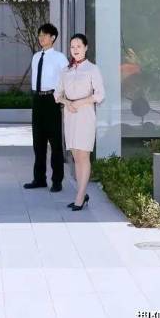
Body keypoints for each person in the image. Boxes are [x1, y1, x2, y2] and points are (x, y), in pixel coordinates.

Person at [55, 33, 105, 211]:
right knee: (76, 156)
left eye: (78, 46)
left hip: (85, 114)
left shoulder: (92, 69)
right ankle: (81, 194)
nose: (75, 49)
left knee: (83, 155)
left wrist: (80, 102)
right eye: (72, 46)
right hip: (70, 116)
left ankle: (79, 197)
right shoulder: (66, 70)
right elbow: (57, 94)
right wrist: (67, 102)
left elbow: (100, 95)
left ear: (86, 48)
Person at [23, 23, 68, 192]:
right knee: (38, 142)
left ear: (53, 37)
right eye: (40, 35)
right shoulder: (36, 57)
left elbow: (67, 79)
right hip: (37, 100)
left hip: (51, 100)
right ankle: (39, 179)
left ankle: (57, 181)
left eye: (44, 35)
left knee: (55, 142)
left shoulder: (59, 58)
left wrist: (61, 97)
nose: (41, 38)